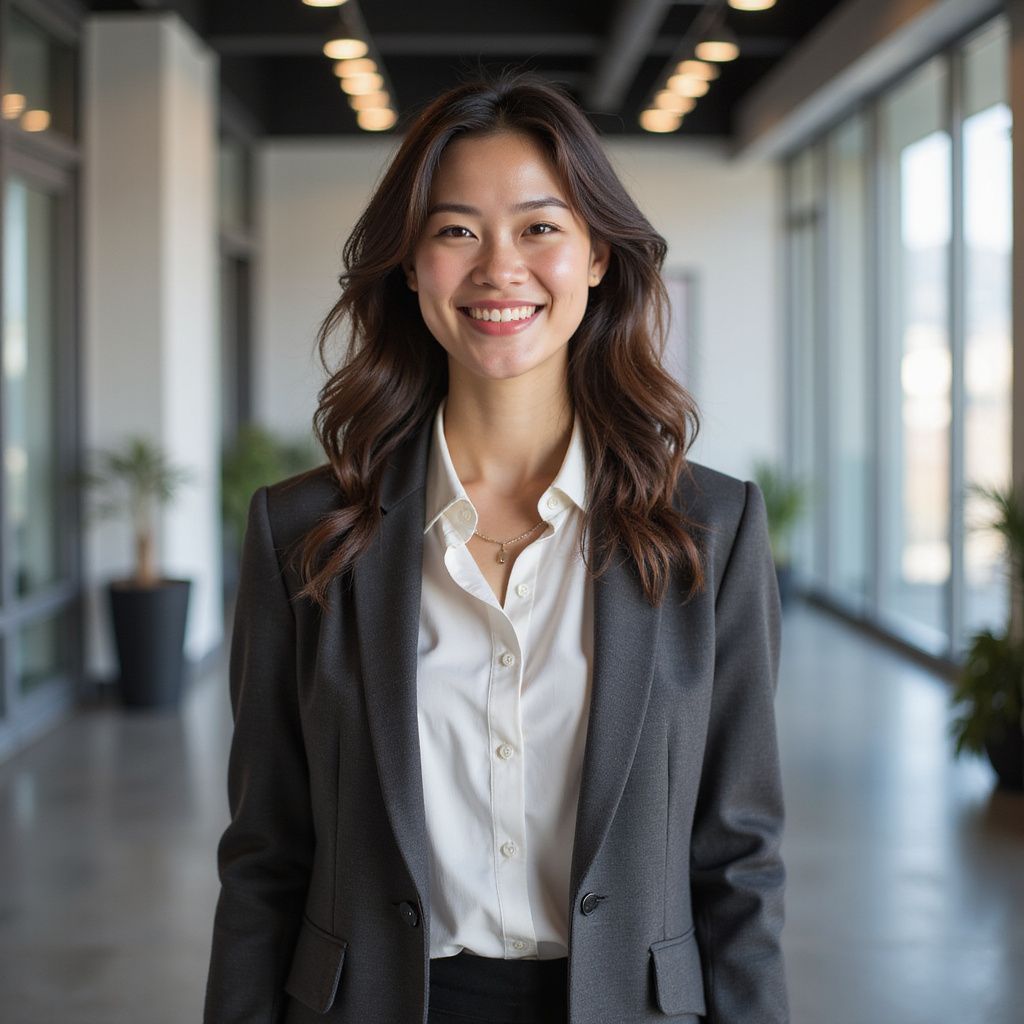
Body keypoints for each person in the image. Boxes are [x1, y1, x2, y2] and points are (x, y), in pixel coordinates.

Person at [203, 70, 788, 1024]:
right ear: (410, 265)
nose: (498, 269)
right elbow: (266, 853)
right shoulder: (305, 530)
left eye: (540, 227)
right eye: (456, 230)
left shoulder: (709, 532)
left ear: (597, 255)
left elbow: (739, 858)